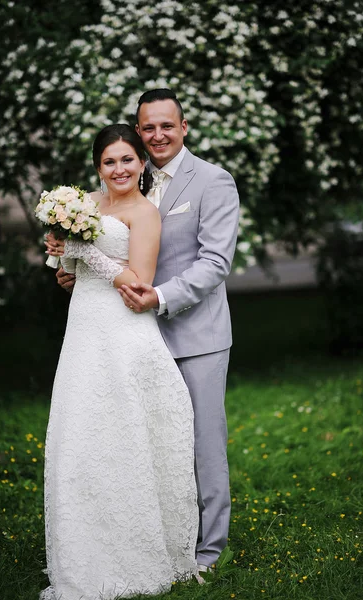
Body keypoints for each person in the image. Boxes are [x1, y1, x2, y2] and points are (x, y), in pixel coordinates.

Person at [54, 89, 240, 573]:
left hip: (193, 333)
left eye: (166, 125)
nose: (157, 135)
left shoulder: (214, 181)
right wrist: (74, 268)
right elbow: (113, 250)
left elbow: (215, 262)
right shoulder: (129, 175)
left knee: (201, 440)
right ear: (138, 133)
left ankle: (209, 550)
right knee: (147, 440)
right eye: (148, 127)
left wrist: (158, 296)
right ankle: (151, 538)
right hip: (128, 332)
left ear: (183, 127)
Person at [41, 123, 199, 600]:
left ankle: (140, 550)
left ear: (141, 163)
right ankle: (84, 550)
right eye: (109, 161)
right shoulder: (84, 205)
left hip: (124, 330)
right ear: (97, 167)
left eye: (127, 159)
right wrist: (60, 259)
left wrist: (81, 249)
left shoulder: (145, 212)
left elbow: (137, 280)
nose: (119, 169)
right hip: (83, 327)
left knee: (123, 433)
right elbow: (68, 271)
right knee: (83, 436)